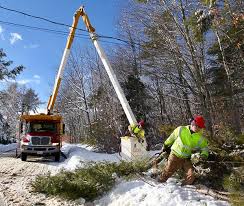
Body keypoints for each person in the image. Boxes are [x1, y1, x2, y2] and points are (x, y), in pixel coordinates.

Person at [158, 115, 209, 185]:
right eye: (198, 126)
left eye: (200, 127)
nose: (199, 128)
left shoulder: (200, 137)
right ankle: (159, 183)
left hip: (186, 158)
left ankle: (183, 188)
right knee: (168, 171)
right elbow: (171, 138)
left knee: (191, 175)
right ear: (193, 124)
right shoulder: (181, 129)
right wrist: (165, 145)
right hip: (175, 154)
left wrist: (204, 155)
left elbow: (204, 148)